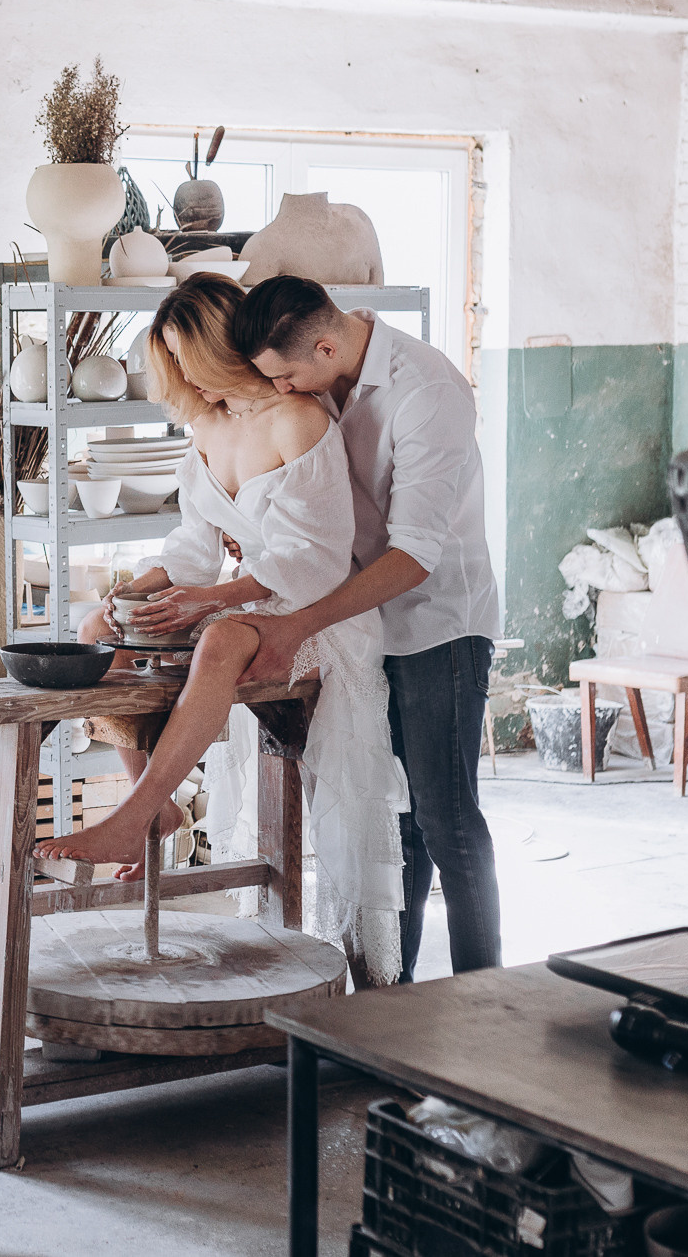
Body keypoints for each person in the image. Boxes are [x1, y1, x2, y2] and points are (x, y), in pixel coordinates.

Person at [36, 274, 410, 982]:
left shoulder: (298, 419)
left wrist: (211, 598)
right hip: (236, 598)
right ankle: (156, 804)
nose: (182, 379)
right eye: (171, 363)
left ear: (218, 347)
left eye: (187, 360)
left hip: (314, 612)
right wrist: (142, 589)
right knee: (94, 625)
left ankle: (135, 812)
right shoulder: (205, 430)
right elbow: (192, 547)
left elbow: (315, 557)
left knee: (220, 637)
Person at [229, 275, 502, 981]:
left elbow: (413, 556)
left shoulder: (428, 391)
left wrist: (298, 624)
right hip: (366, 621)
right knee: (397, 819)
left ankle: (488, 995)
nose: (281, 390)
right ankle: (395, 996)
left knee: (445, 817)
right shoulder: (320, 381)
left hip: (441, 622)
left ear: (326, 344)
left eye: (286, 375)